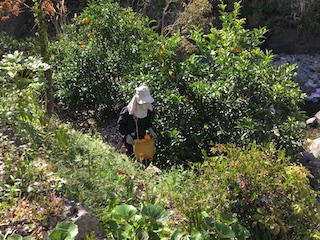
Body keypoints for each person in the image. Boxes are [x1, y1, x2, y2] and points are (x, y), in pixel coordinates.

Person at [117, 85, 157, 156]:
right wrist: (126, 135)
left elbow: (147, 123)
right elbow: (121, 125)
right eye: (144, 103)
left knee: (144, 156)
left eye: (147, 103)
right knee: (132, 157)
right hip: (131, 141)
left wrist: (150, 129)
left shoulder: (148, 111)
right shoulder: (127, 112)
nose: (146, 105)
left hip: (143, 139)